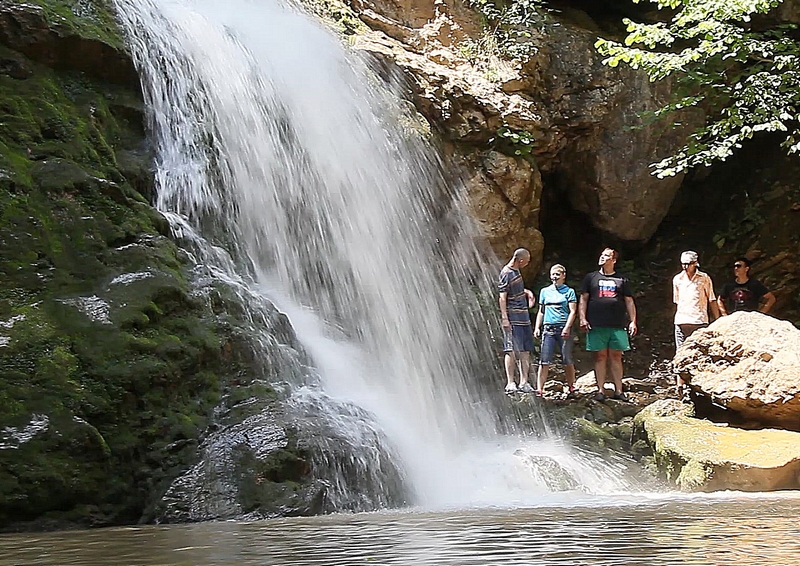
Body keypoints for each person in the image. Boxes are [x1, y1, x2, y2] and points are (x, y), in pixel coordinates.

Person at [579, 248, 637, 402]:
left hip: (617, 324)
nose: (602, 258)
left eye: (606, 256)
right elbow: (583, 299)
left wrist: (633, 321)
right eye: (602, 255)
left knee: (616, 356)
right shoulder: (591, 278)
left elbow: (629, 301)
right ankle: (600, 390)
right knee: (600, 356)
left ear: (614, 260)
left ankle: (619, 390)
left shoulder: (621, 280)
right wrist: (582, 318)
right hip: (596, 324)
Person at [672, 251, 719, 398]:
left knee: (700, 355)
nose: (685, 267)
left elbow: (711, 299)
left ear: (695, 263)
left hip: (699, 321)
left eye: (688, 264)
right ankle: (680, 387)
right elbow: (677, 301)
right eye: (683, 264)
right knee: (680, 354)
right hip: (681, 321)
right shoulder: (677, 279)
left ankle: (700, 389)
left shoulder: (704, 278)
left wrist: (717, 320)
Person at [533, 264, 577, 397]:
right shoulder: (545, 292)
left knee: (566, 358)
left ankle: (572, 386)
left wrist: (567, 327)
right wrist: (537, 327)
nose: (555, 277)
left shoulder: (569, 292)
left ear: (564, 276)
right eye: (553, 274)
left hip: (563, 328)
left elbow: (573, 311)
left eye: (557, 274)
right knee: (544, 360)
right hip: (548, 329)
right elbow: (541, 311)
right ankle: (540, 388)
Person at [499, 248, 536, 394]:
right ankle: (510, 382)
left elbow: (515, 289)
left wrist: (527, 292)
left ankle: (524, 382)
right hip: (513, 316)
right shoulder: (506, 273)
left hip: (524, 317)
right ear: (520, 260)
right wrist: (504, 318)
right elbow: (502, 296)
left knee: (525, 350)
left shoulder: (516, 272)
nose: (527, 264)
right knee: (511, 349)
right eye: (526, 261)